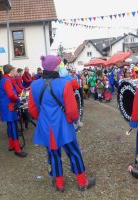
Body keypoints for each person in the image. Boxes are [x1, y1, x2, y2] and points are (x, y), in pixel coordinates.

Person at [28, 55, 95, 192]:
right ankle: (82, 182)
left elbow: (32, 109)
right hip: (63, 126)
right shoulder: (64, 84)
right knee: (74, 152)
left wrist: (43, 119)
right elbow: (71, 110)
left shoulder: (34, 85)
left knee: (53, 154)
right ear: (55, 67)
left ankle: (59, 184)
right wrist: (76, 120)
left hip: (47, 126)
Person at [0, 64, 27, 158]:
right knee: (14, 127)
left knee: (10, 126)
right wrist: (18, 100)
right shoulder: (7, 80)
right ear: (11, 71)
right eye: (14, 71)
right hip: (10, 107)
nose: (15, 72)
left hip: (6, 106)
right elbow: (11, 95)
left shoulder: (4, 79)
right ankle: (17, 149)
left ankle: (12, 145)